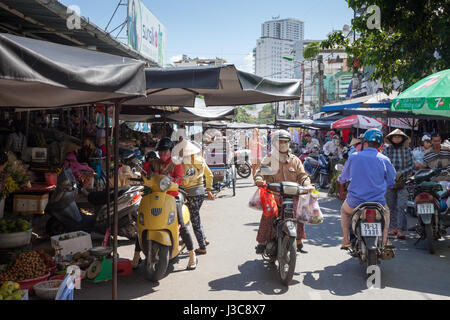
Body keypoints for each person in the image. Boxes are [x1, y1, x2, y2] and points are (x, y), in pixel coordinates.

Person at [132, 137, 197, 270]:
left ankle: (192, 255)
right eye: (160, 152)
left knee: (182, 224)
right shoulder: (154, 163)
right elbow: (144, 171)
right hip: (154, 196)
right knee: (141, 223)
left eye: (165, 152)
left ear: (170, 151)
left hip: (171, 197)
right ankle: (137, 255)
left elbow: (179, 180)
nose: (162, 155)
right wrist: (144, 171)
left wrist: (172, 180)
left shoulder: (176, 164)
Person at [254, 130, 312, 254]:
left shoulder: (295, 160)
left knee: (299, 213)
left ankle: (298, 241)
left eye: (286, 142)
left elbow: (303, 176)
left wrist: (307, 184)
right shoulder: (269, 159)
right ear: (275, 143)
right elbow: (260, 172)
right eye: (280, 142)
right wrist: (259, 179)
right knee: (268, 214)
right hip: (274, 195)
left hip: (292, 195)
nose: (283, 144)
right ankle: (262, 242)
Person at [338, 128, 396, 249]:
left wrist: (341, 179)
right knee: (386, 214)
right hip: (378, 202)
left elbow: (344, 177)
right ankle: (385, 241)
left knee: (344, 211)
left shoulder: (354, 157)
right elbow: (391, 181)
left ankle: (345, 240)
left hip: (355, 201)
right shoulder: (385, 159)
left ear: (365, 142)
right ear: (380, 144)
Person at [176, 139, 215, 255]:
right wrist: (208, 190)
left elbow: (183, 179)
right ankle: (204, 238)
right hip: (201, 193)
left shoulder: (183, 162)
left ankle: (202, 247)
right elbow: (210, 175)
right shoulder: (200, 160)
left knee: (194, 221)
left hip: (190, 194)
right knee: (196, 216)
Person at [382, 129, 414, 240]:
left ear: (403, 139)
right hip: (389, 182)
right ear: (391, 139)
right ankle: (393, 228)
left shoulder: (408, 150)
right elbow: (383, 165)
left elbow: (411, 166)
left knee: (401, 205)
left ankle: (400, 229)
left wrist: (400, 174)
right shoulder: (386, 151)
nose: (396, 139)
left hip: (403, 182)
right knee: (390, 206)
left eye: (399, 137)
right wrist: (392, 175)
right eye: (394, 137)